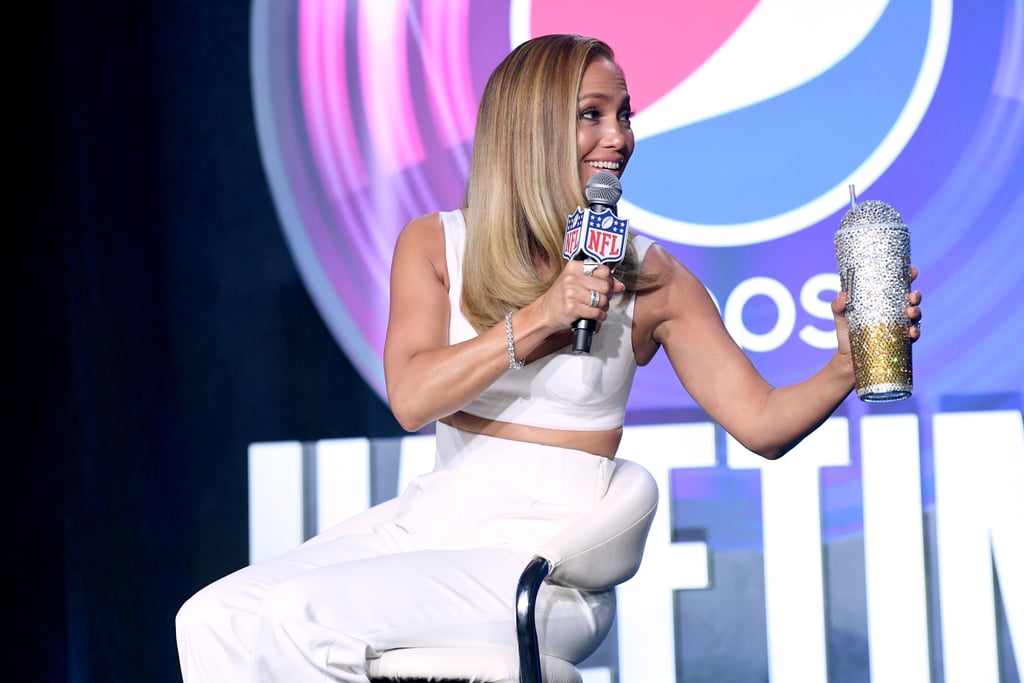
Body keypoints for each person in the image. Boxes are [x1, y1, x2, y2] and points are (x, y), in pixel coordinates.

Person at [175, 34, 922, 682]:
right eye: (592, 114)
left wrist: (842, 368)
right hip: (430, 523)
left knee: (301, 617)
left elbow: (761, 421)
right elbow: (410, 397)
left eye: (625, 114)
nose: (620, 137)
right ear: (529, 129)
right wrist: (540, 317)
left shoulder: (651, 276)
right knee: (212, 618)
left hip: (547, 559)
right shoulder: (435, 245)